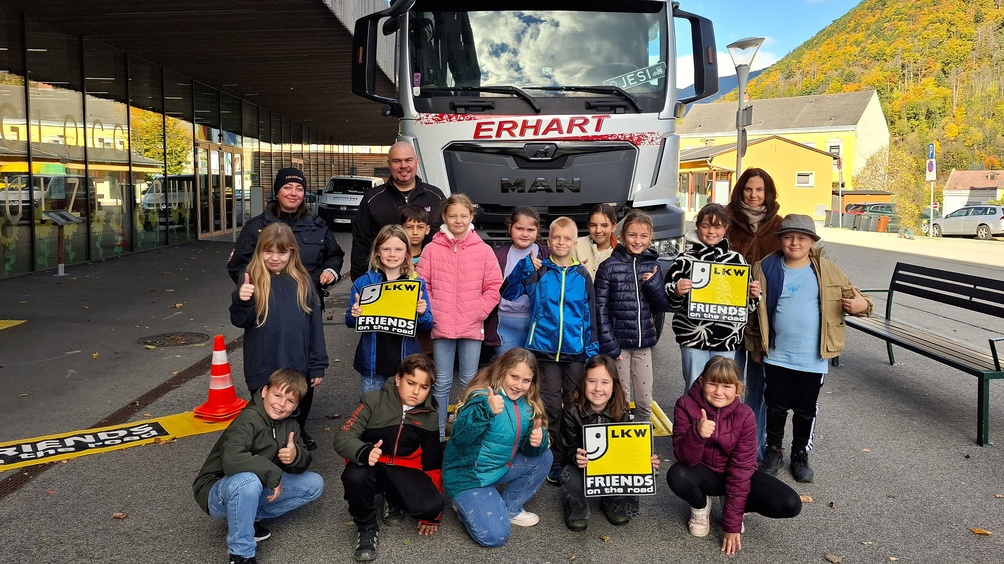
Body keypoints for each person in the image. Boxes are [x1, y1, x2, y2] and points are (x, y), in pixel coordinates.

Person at [746, 214, 872, 483]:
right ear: (780, 240)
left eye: (802, 238)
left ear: (812, 242)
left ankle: (800, 453)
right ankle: (773, 450)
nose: (795, 243)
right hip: (777, 354)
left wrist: (861, 306)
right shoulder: (765, 267)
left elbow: (859, 299)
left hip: (812, 357)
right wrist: (756, 345)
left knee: (805, 409)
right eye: (789, 237)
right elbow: (755, 314)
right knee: (775, 406)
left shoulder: (827, 270)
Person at [667, 356, 801, 556]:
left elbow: (741, 471)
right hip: (701, 472)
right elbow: (686, 458)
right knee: (677, 474)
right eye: (712, 384)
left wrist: (732, 524)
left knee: (790, 503)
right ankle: (700, 506)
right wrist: (697, 433)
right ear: (702, 382)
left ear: (738, 389)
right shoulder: (685, 404)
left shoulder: (745, 415)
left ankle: (729, 501)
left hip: (733, 474)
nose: (719, 392)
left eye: (727, 386)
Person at [501, 216, 598, 482]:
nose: (561, 242)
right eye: (556, 237)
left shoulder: (582, 275)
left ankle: (574, 457)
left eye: (567, 238)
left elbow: (590, 314)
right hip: (543, 352)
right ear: (549, 241)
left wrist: (591, 351)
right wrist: (523, 268)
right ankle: (553, 460)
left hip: (575, 352)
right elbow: (507, 293)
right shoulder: (538, 270)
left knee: (575, 406)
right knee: (551, 406)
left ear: (574, 243)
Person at [193, 369, 324, 564]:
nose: (281, 404)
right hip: (216, 490)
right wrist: (273, 474)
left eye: (290, 401)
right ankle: (241, 554)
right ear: (264, 391)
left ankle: (245, 516)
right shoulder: (248, 419)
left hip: (255, 484)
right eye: (277, 395)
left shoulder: (291, 425)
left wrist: (295, 456)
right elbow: (231, 458)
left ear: (296, 404)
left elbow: (302, 463)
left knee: (314, 483)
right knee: (249, 480)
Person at [333, 354, 444, 562]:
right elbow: (342, 437)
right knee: (355, 477)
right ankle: (366, 526)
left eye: (424, 386)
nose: (416, 391)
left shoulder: (430, 413)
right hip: (370, 464)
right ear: (399, 379)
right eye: (411, 383)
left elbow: (432, 462)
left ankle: (390, 497)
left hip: (404, 468)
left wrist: (433, 516)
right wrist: (364, 452)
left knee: (431, 506)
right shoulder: (372, 401)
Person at [230, 223, 328, 450]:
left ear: (291, 252)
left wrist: (317, 364)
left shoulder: (303, 282)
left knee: (295, 405)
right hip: (263, 362)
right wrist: (240, 300)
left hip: (297, 363)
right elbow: (240, 320)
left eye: (282, 252)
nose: (275, 257)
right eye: (269, 251)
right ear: (260, 251)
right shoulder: (251, 278)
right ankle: (264, 443)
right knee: (266, 409)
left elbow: (315, 327)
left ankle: (296, 434)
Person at [442, 348, 552, 547]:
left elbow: (529, 451)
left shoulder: (527, 403)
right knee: (494, 537)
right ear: (502, 371)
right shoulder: (483, 396)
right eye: (514, 377)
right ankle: (466, 504)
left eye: (526, 380)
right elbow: (460, 438)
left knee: (545, 455)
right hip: (469, 476)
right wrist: (486, 410)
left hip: (498, 466)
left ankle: (511, 508)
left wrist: (537, 440)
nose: (519, 385)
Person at [416, 194, 502, 441]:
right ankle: (440, 434)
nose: (458, 220)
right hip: (441, 325)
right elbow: (423, 284)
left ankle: (466, 433)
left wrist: (479, 311)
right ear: (443, 216)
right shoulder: (431, 249)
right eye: (452, 215)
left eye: (464, 215)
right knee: (441, 382)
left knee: (469, 381)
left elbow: (494, 285)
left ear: (471, 217)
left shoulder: (483, 250)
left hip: (472, 325)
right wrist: (434, 313)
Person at [665, 203, 761, 392]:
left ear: (726, 228)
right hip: (693, 337)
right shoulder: (684, 260)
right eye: (705, 225)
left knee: (723, 389)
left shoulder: (737, 260)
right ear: (698, 226)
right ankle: (693, 422)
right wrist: (676, 292)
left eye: (717, 226)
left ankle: (720, 424)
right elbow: (670, 302)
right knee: (695, 388)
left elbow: (747, 307)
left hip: (727, 339)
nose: (711, 231)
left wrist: (753, 296)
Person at [559, 355, 660, 531]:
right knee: (568, 475)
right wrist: (576, 457)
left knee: (631, 473)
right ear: (583, 383)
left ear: (614, 386)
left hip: (612, 468)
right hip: (585, 467)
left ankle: (614, 500)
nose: (598, 388)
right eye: (592, 381)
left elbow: (630, 451)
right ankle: (577, 506)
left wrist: (646, 460)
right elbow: (566, 448)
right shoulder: (571, 410)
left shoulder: (624, 411)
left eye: (605, 382)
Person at [725, 167, 785, 460]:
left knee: (759, 386)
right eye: (749, 189)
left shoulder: (781, 227)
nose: (753, 195)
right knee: (731, 381)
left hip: (764, 317)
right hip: (728, 316)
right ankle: (729, 442)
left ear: (768, 193)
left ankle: (754, 446)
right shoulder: (725, 222)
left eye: (759, 190)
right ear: (741, 191)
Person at [228, 167, 344, 306]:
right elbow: (237, 266)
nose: (293, 193)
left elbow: (335, 255)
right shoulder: (255, 227)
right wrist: (251, 287)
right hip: (266, 304)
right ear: (277, 192)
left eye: (299, 189)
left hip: (307, 303)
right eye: (287, 187)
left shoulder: (318, 227)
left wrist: (331, 271)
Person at [594, 210, 668, 423]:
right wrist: (610, 345)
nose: (638, 241)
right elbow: (600, 308)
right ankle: (621, 443)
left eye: (643, 236)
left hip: (643, 343)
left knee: (645, 400)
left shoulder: (653, 265)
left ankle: (643, 447)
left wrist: (652, 284)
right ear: (622, 235)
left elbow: (662, 305)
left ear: (650, 237)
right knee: (621, 397)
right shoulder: (608, 266)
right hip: (619, 346)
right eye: (632, 235)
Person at [346, 225, 433, 396]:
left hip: (405, 365)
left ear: (407, 253)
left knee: (402, 412)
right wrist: (354, 314)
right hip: (373, 364)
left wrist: (422, 313)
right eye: (386, 249)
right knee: (371, 412)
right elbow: (350, 321)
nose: (392, 254)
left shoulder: (417, 284)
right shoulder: (364, 283)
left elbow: (427, 324)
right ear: (377, 251)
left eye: (398, 249)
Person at [351, 142, 445, 281]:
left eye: (408, 160)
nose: (403, 166)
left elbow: (447, 239)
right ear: (389, 164)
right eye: (397, 161)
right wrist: (359, 283)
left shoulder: (435, 196)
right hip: (384, 282)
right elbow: (361, 244)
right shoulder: (373, 199)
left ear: (416, 162)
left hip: (430, 282)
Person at [484, 206, 550, 356]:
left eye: (530, 230)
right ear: (510, 228)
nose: (525, 234)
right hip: (504, 325)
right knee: (508, 372)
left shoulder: (547, 255)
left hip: (537, 325)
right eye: (519, 228)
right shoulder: (497, 254)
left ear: (537, 230)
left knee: (533, 373)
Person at [572, 203, 618, 280]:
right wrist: (573, 271)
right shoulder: (576, 246)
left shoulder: (620, 252)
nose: (598, 230)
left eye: (604, 225)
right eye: (593, 225)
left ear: (613, 227)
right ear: (588, 226)